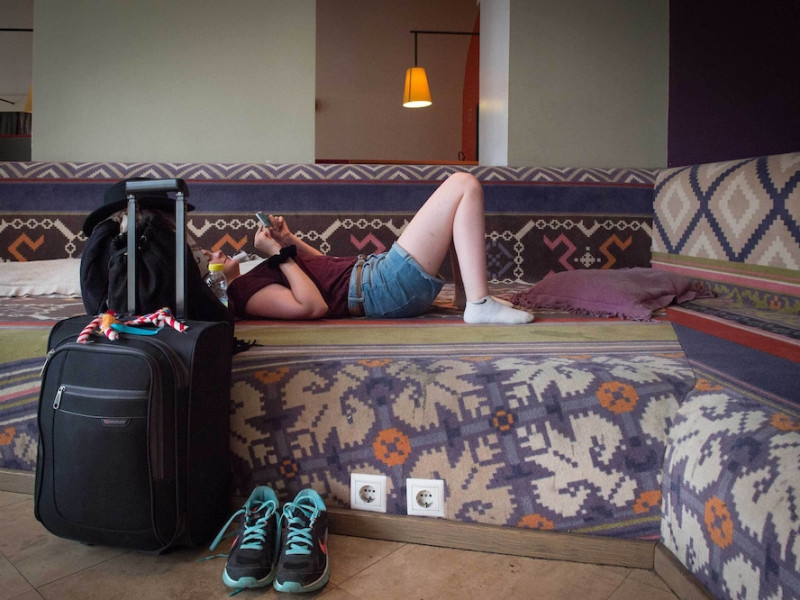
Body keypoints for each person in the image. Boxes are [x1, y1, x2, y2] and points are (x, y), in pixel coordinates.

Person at [205, 173, 534, 324]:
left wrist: (288, 241)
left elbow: (328, 269)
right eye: (207, 258)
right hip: (380, 288)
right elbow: (313, 306)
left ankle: (468, 297)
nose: (216, 252)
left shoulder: (250, 279)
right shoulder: (243, 293)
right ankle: (479, 304)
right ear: (208, 277)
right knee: (463, 184)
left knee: (453, 209)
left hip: (375, 278)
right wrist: (278, 254)